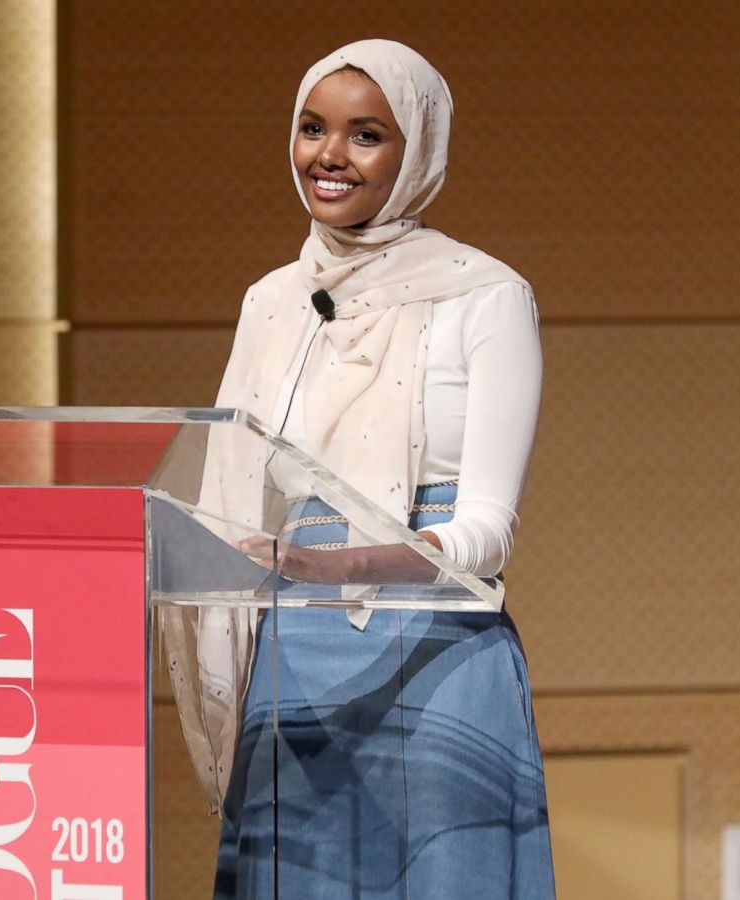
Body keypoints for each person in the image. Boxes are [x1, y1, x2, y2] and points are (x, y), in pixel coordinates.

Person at [175, 40, 555, 898]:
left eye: (366, 135)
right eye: (313, 129)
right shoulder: (273, 301)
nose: (329, 156)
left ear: (415, 150)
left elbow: (486, 536)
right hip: (292, 658)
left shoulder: (486, 295)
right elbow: (227, 482)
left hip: (436, 650)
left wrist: (325, 565)